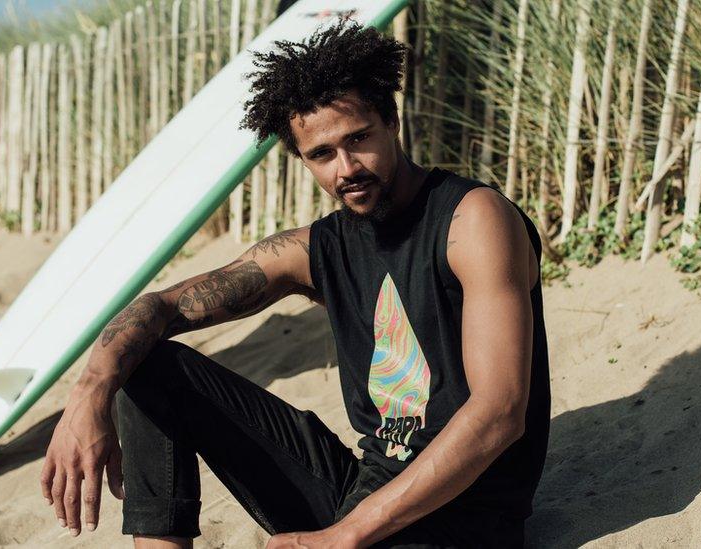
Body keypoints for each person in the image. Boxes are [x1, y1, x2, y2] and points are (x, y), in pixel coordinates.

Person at [40, 20, 550, 549]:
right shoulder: (319, 249)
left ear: (392, 121)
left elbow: (500, 413)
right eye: (322, 154)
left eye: (359, 139)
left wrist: (345, 535)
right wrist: (88, 394)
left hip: (462, 514)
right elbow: (161, 307)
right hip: (365, 490)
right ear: (301, 158)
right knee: (147, 363)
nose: (346, 168)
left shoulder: (472, 221)